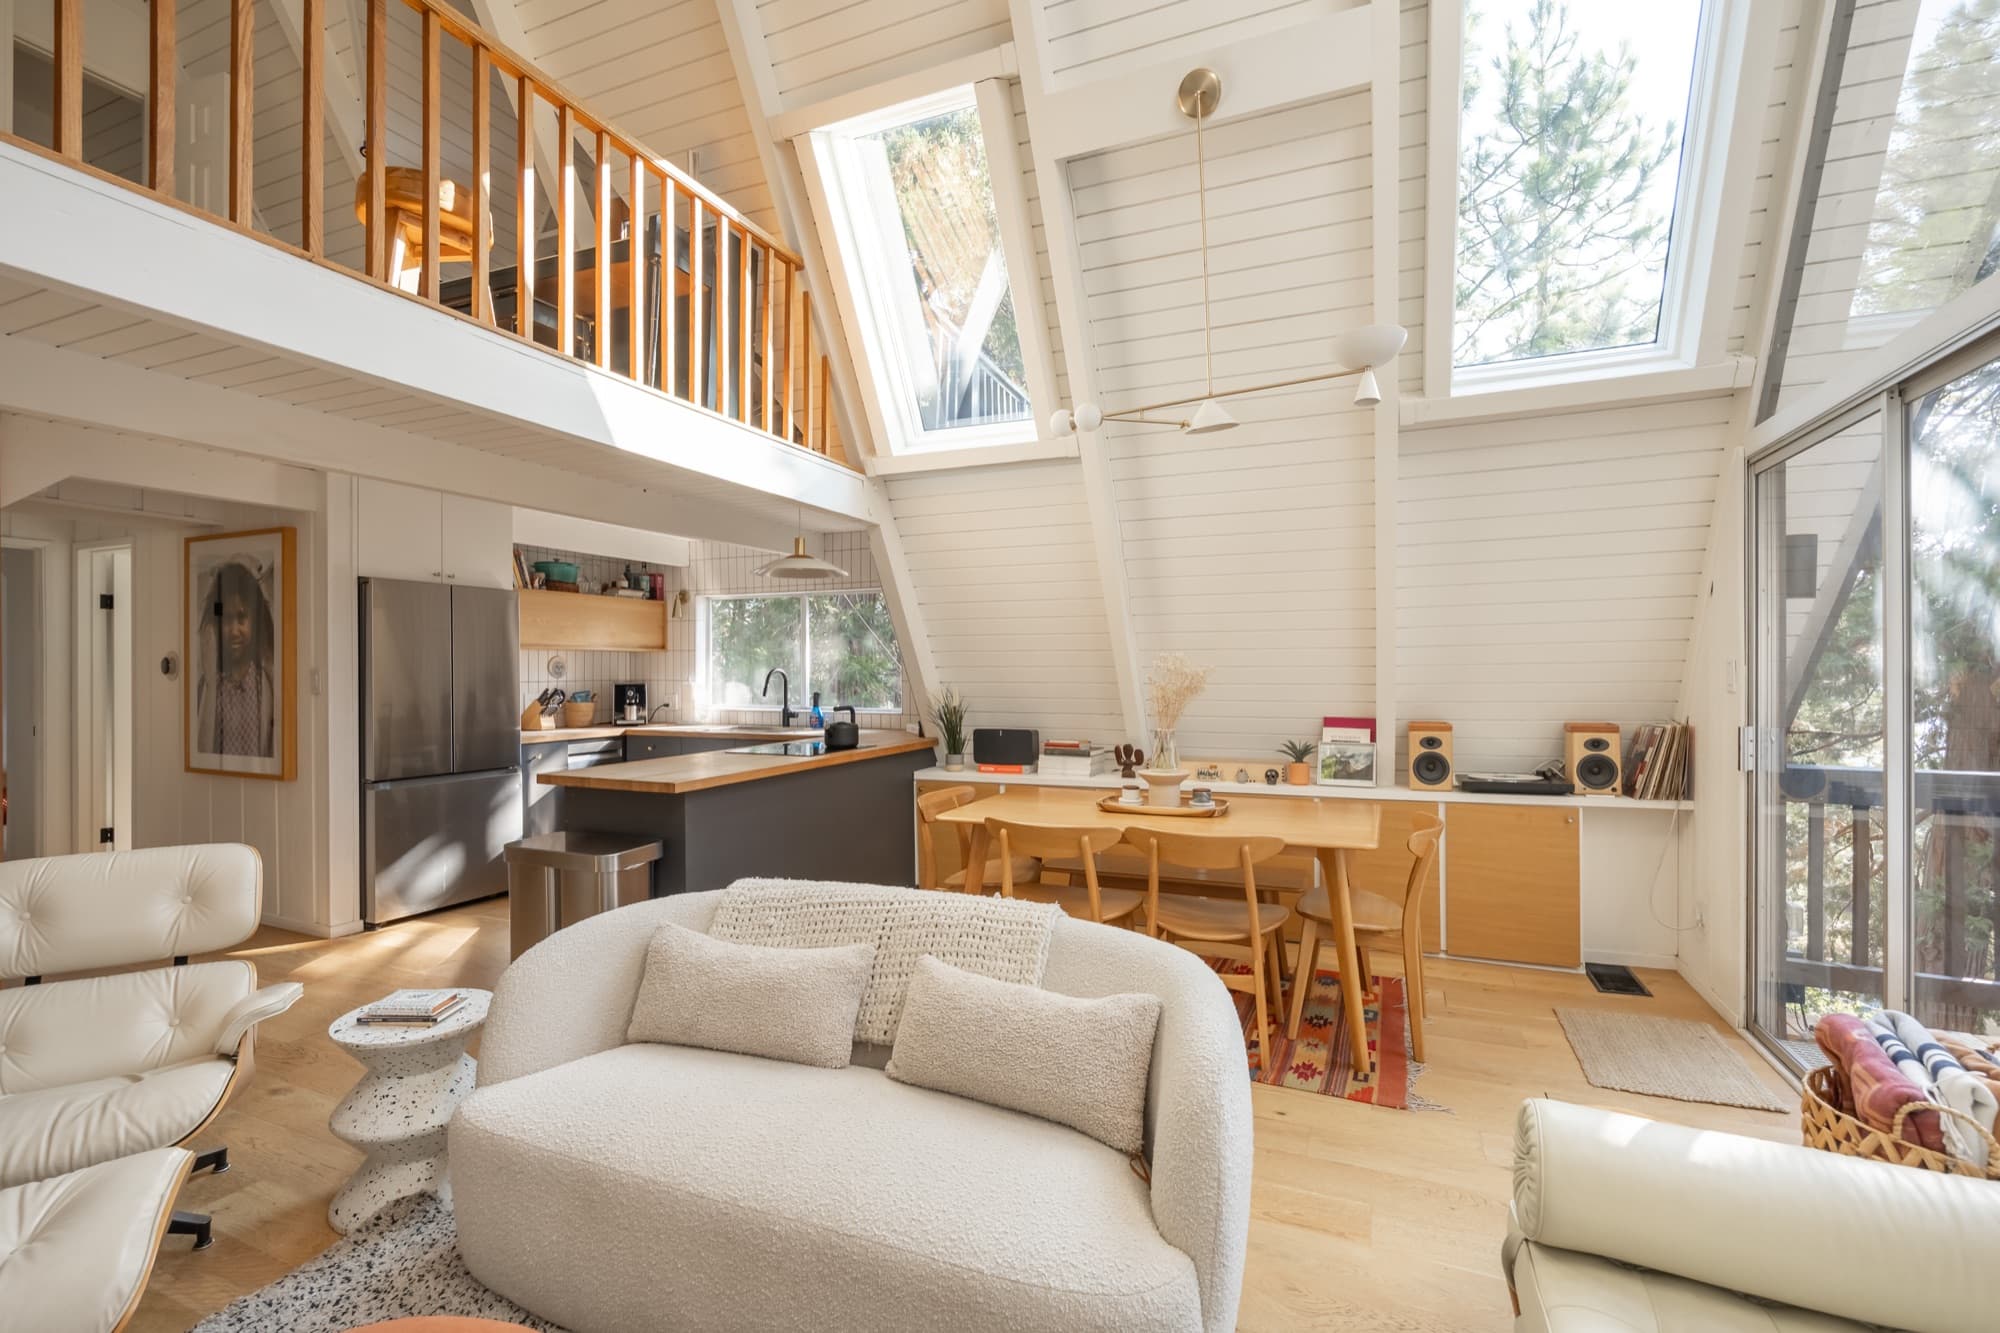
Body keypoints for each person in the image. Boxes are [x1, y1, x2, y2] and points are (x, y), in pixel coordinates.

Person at [195, 558, 276, 759]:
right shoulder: (208, 687)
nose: (234, 630)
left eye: (241, 618)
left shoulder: (265, 684)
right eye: (226, 619)